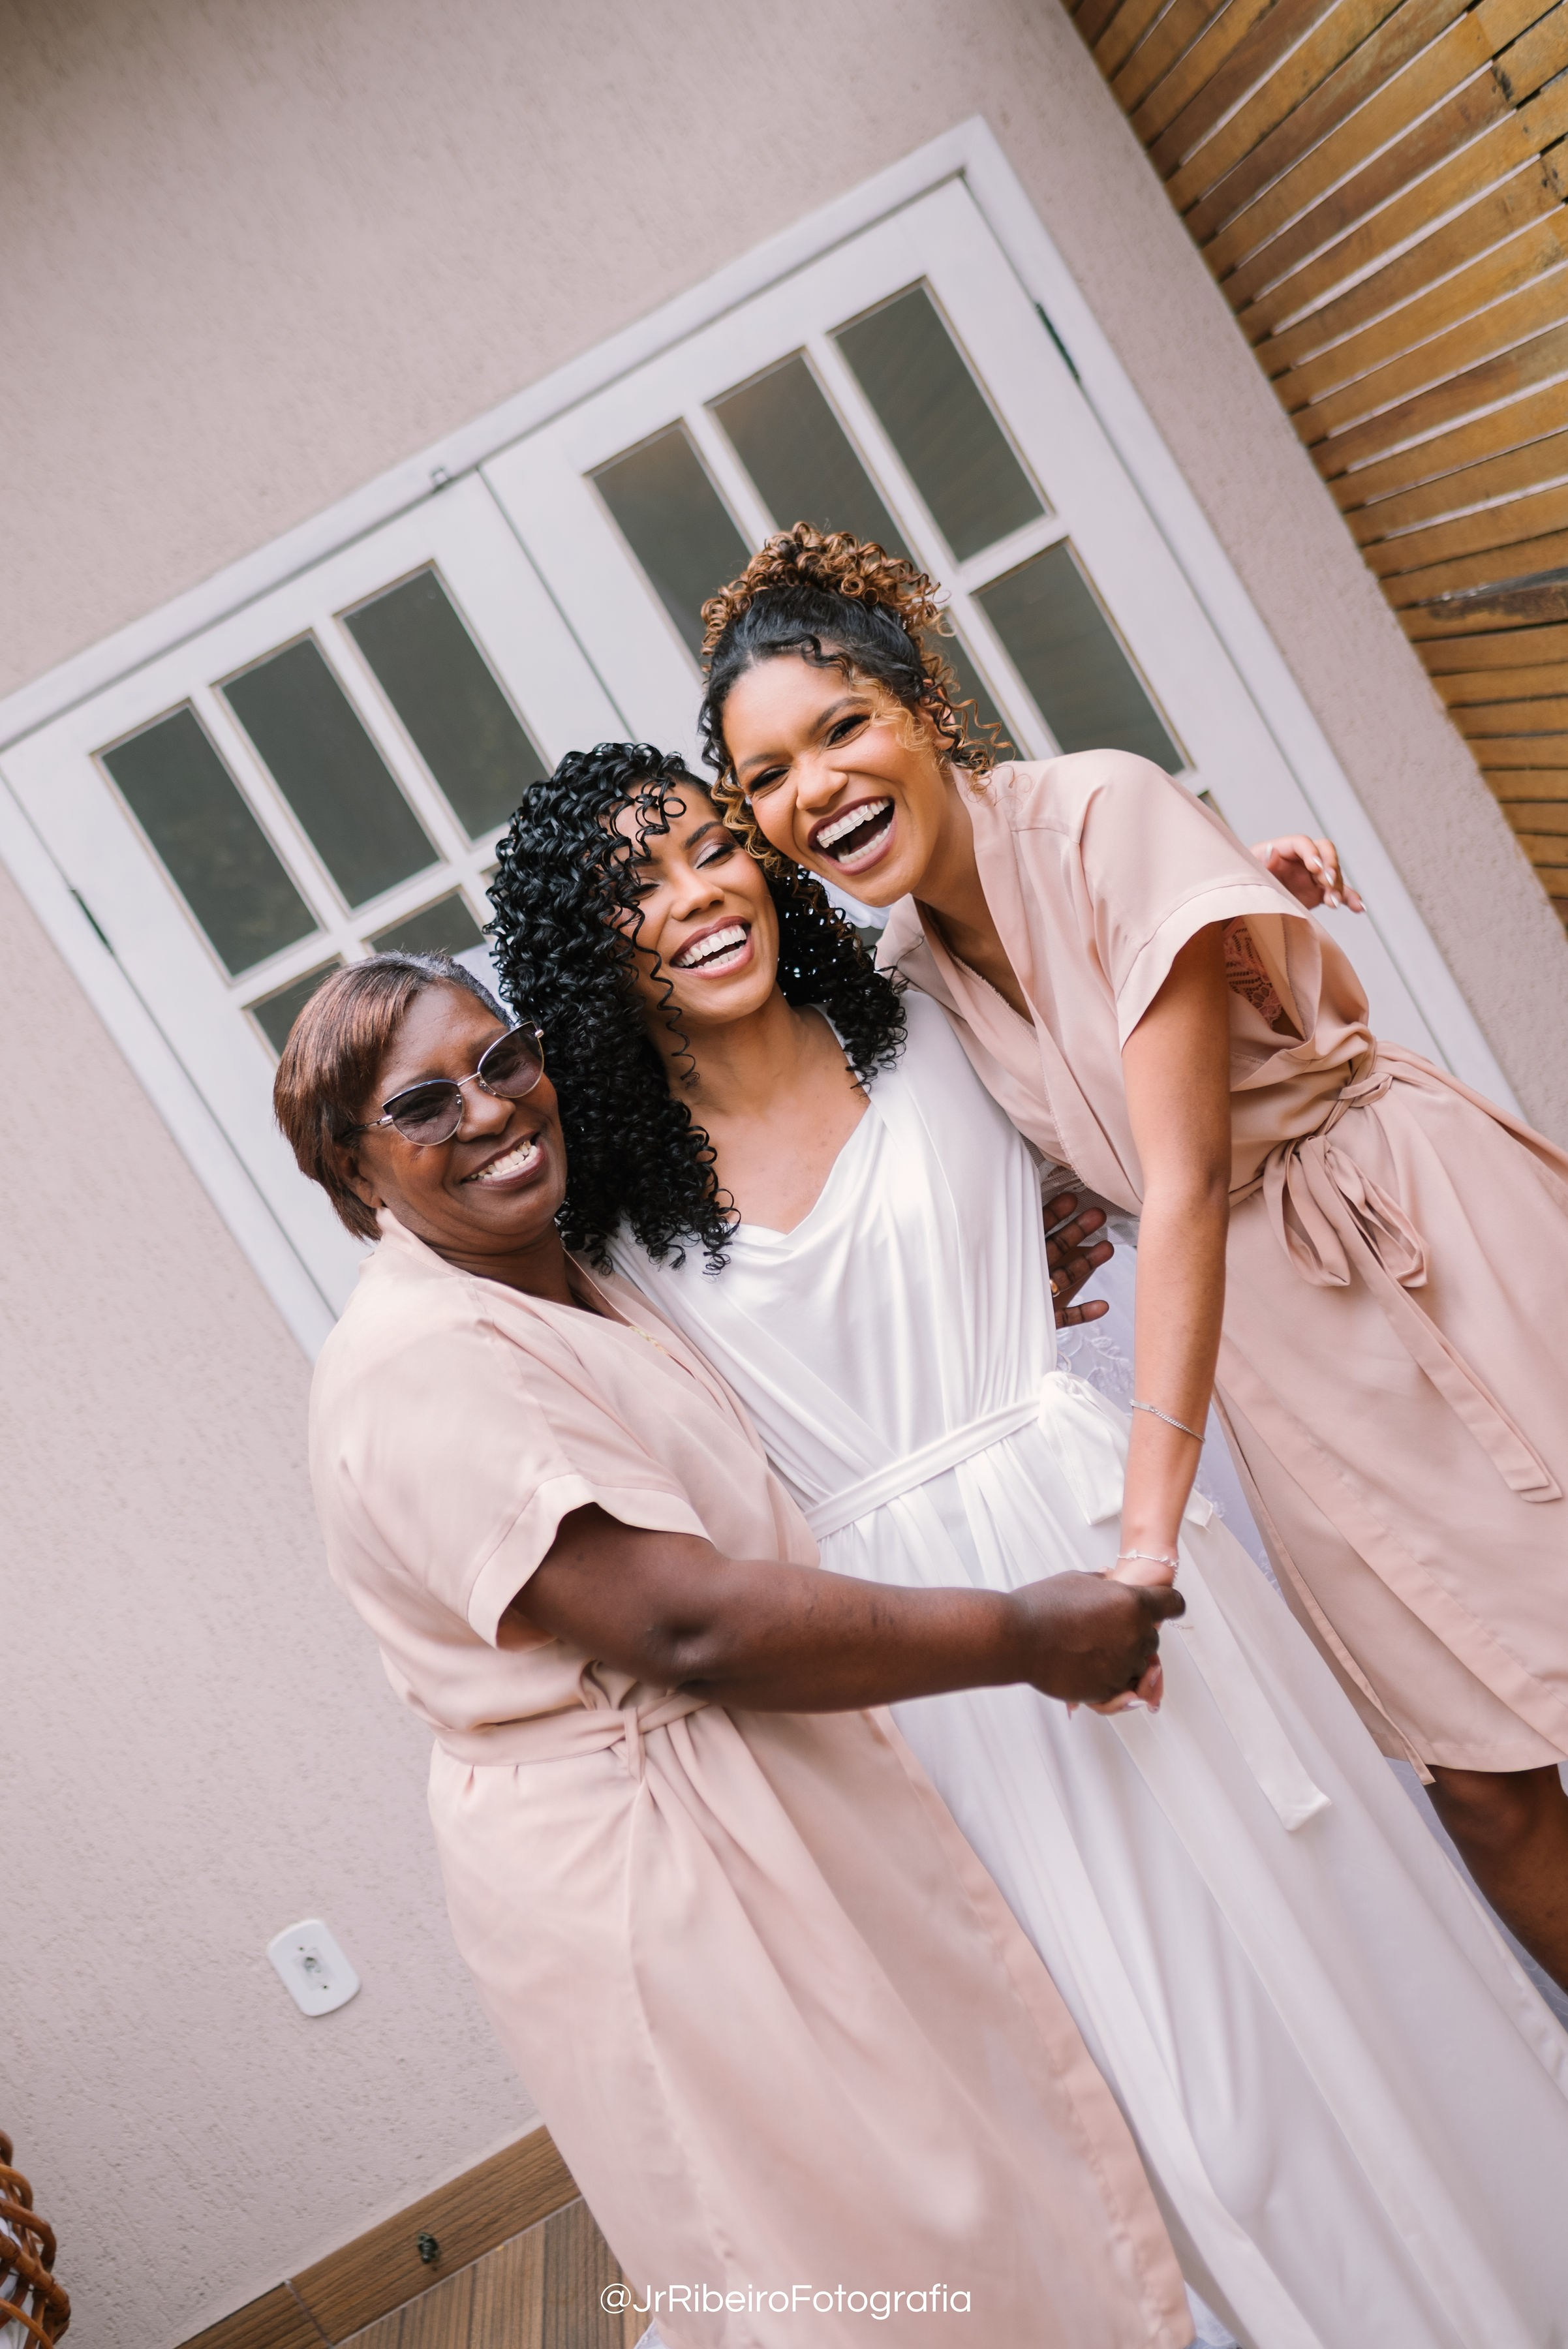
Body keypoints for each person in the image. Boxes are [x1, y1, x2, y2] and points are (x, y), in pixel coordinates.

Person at [489, 746, 1568, 2349]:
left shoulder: (931, 1029)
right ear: (587, 950)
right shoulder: (601, 1219)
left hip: (1114, 1550)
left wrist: (1220, 893)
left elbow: (1124, 1017)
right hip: (928, 1661)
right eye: (634, 886)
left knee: (1362, 1953)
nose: (699, 892)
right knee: (1179, 2103)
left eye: (714, 846)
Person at [278, 951, 1193, 2349]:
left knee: (930, 2193)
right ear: (352, 1175)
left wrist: (1007, 1249)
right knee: (847, 2246)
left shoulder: (564, 1277)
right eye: (421, 1104)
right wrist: (1018, 1632)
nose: (488, 1109)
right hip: (649, 1863)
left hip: (739, 1805)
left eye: (502, 1059)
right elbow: (679, 1620)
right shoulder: (421, 1361)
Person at [698, 525, 1568, 1993]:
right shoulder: (908, 973)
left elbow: (1176, 1179)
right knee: (1478, 1778)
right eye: (766, 776)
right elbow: (1043, 1172)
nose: (811, 790)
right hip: (1279, 1368)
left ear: (924, 706)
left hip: (1419, 1247)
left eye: (839, 727)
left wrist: (1142, 1543)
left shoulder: (1101, 810)